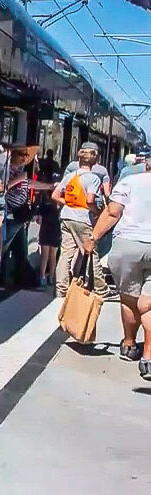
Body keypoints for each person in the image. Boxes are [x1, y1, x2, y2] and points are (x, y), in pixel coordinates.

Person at [85, 157, 151, 378]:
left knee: (129, 299)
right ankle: (149, 359)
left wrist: (93, 237)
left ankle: (129, 344)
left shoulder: (129, 182)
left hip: (127, 246)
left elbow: (113, 212)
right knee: (149, 305)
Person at [52, 148, 110, 299]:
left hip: (66, 216)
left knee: (66, 253)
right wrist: (98, 212)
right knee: (91, 251)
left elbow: (55, 195)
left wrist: (70, 203)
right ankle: (101, 288)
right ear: (95, 161)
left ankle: (61, 288)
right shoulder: (93, 178)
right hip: (82, 219)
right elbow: (90, 200)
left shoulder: (71, 175)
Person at [37, 190, 60, 287]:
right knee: (52, 255)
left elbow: (39, 221)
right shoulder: (59, 203)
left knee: (45, 255)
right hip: (55, 228)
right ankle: (51, 276)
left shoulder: (43, 204)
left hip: (46, 229)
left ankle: (42, 276)